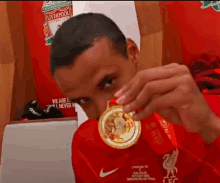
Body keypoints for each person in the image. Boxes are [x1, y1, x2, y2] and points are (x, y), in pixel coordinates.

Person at [50, 13, 220, 182]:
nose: (103, 110)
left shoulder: (203, 111)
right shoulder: (84, 145)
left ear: (132, 53)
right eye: (84, 101)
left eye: (108, 83)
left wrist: (210, 126)